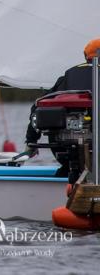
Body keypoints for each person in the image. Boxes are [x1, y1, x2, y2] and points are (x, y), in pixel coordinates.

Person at [25, 38, 100, 174]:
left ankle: (69, 170)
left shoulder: (68, 76)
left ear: (85, 56)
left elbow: (37, 105)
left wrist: (30, 142)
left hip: (67, 155)